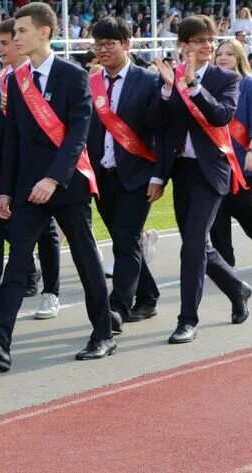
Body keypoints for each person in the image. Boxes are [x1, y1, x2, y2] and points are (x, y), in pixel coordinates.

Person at [0, 2, 115, 372]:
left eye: (21, 31)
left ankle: (102, 334)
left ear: (44, 32)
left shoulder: (72, 75)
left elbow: (78, 134)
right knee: (17, 263)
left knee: (85, 260)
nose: (15, 37)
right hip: (28, 189)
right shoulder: (18, 80)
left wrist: (54, 178)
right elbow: (13, 139)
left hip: (67, 185)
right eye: (14, 33)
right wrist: (5, 191)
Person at [152, 15, 252, 344]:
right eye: (199, 41)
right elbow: (161, 127)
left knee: (192, 244)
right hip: (182, 171)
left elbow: (221, 115)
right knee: (200, 246)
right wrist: (168, 90)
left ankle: (187, 320)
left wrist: (194, 85)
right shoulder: (170, 76)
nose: (207, 46)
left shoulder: (225, 79)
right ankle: (237, 289)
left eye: (210, 40)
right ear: (183, 45)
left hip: (212, 171)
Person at [0, 19, 62, 323]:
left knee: (46, 231)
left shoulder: (41, 77)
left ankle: (51, 291)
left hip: (37, 167)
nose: (0, 49)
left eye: (5, 43)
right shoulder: (2, 77)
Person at [86, 17, 163, 329]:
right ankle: (148, 296)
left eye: (110, 44)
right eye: (98, 44)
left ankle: (117, 306)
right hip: (103, 174)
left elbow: (160, 131)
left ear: (127, 44)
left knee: (124, 238)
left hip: (137, 173)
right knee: (124, 240)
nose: (103, 50)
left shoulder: (148, 81)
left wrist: (158, 176)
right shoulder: (91, 82)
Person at [210, 38, 252, 267]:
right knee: (217, 215)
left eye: (229, 53)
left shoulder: (250, 85)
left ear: (239, 57)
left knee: (242, 206)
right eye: (219, 54)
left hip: (243, 159)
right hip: (215, 162)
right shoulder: (210, 85)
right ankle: (225, 266)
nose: (223, 57)